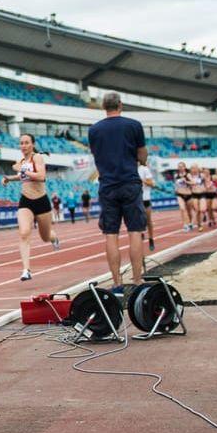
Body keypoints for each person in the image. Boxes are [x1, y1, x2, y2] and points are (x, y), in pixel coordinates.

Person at [86, 92, 148, 293]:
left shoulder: (94, 130)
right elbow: (143, 155)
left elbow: (97, 155)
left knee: (111, 234)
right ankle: (137, 281)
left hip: (107, 185)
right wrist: (138, 161)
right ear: (120, 105)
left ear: (104, 107)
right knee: (135, 231)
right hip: (130, 182)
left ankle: (116, 283)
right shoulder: (134, 125)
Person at [1, 133, 60, 282]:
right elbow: (23, 177)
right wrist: (10, 178)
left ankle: (54, 237)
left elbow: (41, 176)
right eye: (21, 143)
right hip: (25, 200)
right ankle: (26, 270)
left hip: (41, 201)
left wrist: (22, 170)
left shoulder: (37, 158)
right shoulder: (20, 161)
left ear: (32, 144)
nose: (24, 146)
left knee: (45, 237)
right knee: (24, 233)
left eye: (27, 143)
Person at [139, 161, 156, 251]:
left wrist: (141, 180)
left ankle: (151, 239)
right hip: (135, 199)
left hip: (145, 198)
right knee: (137, 220)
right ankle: (141, 233)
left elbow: (152, 184)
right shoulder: (129, 170)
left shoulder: (144, 169)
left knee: (148, 220)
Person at [173, 163, 196, 230]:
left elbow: (194, 182)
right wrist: (176, 190)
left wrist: (186, 181)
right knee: (182, 209)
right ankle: (185, 224)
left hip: (188, 195)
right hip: (180, 194)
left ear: (184, 167)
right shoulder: (176, 175)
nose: (180, 168)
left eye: (181, 167)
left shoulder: (187, 175)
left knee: (189, 211)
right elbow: (176, 184)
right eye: (179, 167)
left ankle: (191, 223)